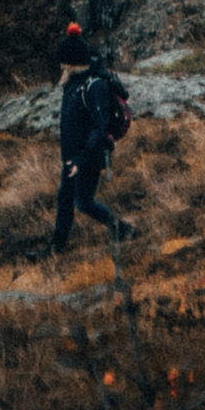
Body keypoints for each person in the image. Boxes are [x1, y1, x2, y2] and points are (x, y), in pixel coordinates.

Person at [52, 23, 134, 251]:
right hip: (73, 155)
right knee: (65, 198)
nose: (61, 66)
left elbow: (99, 128)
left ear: (73, 63)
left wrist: (80, 159)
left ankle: (123, 229)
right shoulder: (72, 83)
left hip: (89, 155)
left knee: (84, 202)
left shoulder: (95, 86)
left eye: (64, 62)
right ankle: (56, 247)